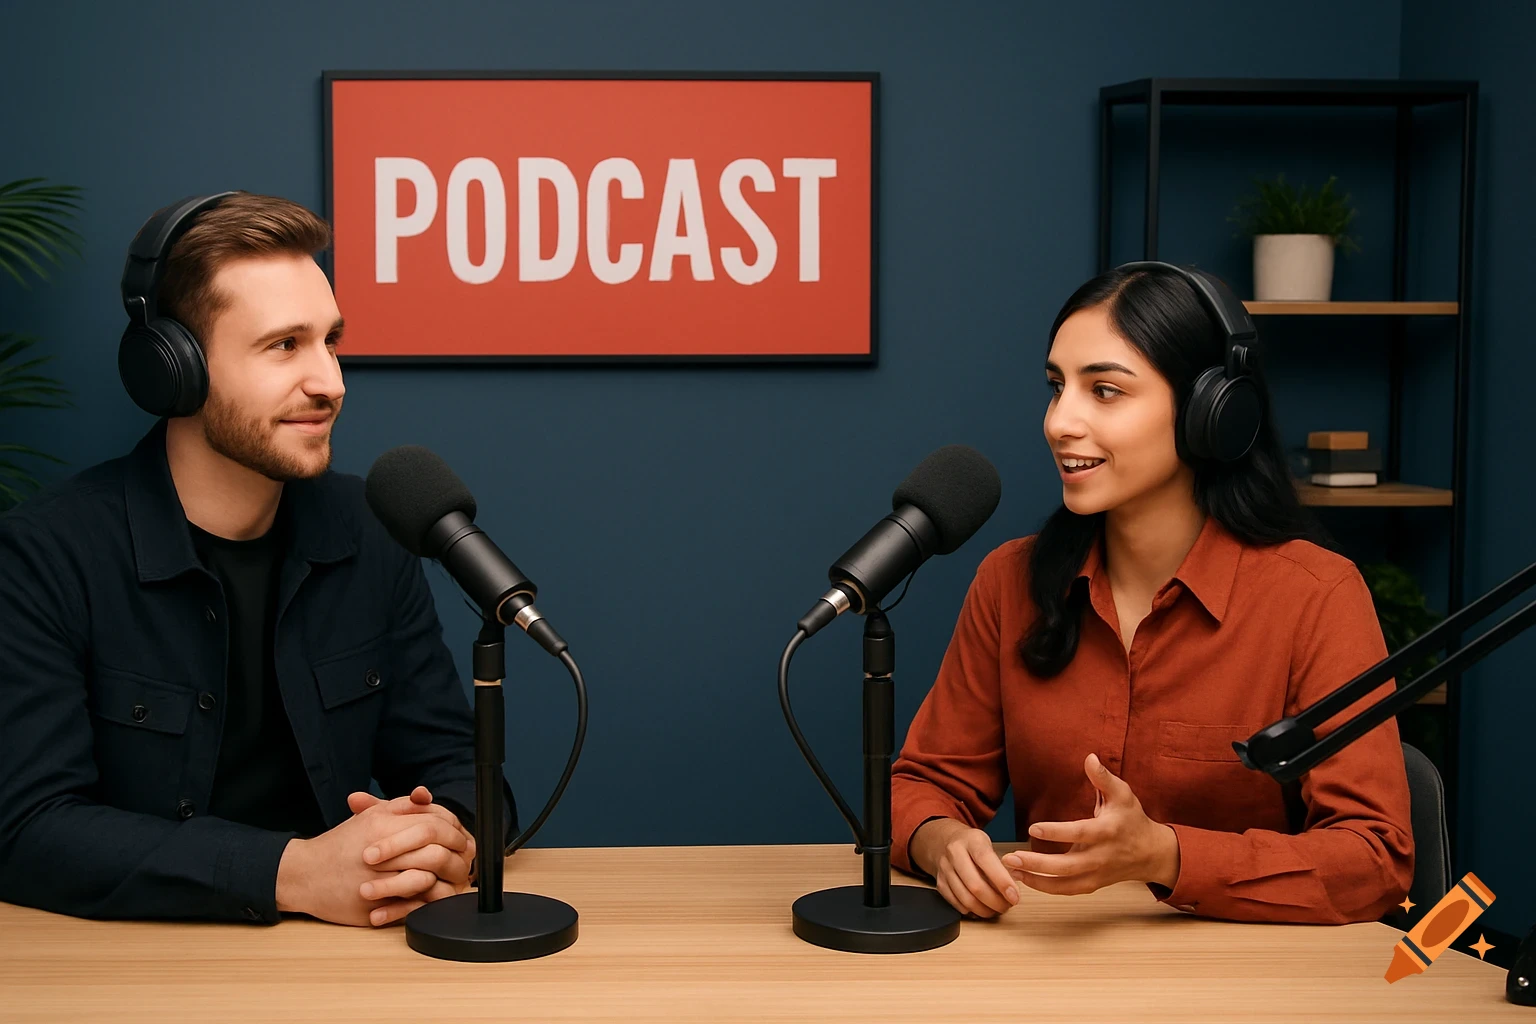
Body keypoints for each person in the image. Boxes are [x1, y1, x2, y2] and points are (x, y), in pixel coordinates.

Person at [0, 192, 514, 928]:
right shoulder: (46, 554)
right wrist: (291, 873)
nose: (331, 382)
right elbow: (27, 827)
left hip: (344, 961)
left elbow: (458, 767)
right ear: (171, 367)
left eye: (330, 341)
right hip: (137, 973)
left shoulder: (370, 530)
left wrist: (445, 835)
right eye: (284, 345)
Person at [890, 263, 1414, 925]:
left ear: (1211, 412)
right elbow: (921, 785)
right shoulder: (1009, 582)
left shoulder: (1315, 597)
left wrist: (1163, 855)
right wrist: (942, 843)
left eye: (1104, 390)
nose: (1059, 422)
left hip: (1244, 982)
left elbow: (1375, 861)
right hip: (1047, 974)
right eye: (1057, 387)